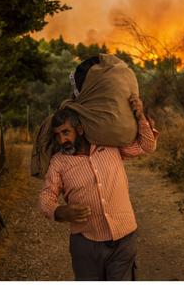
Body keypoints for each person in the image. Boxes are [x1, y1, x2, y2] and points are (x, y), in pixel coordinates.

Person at [38, 95, 158, 280]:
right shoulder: (58, 162)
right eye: (57, 135)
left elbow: (147, 146)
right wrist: (60, 211)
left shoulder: (110, 146)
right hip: (86, 244)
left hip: (124, 238)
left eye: (65, 132)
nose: (62, 140)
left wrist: (140, 115)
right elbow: (46, 197)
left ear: (80, 129)